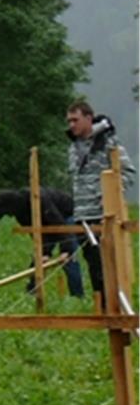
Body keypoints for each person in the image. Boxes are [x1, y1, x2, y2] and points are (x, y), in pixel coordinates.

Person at [66, 101, 136, 303]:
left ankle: (114, 306)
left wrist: (107, 194)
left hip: (105, 215)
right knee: (94, 266)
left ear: (89, 118)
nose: (71, 125)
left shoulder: (108, 143)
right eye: (69, 121)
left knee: (108, 265)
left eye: (75, 120)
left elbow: (128, 173)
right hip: (82, 215)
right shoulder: (73, 148)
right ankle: (102, 307)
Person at [0, 187, 84, 297]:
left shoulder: (39, 198)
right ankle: (32, 293)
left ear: (13, 205)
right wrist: (44, 252)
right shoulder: (20, 214)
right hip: (49, 222)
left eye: (8, 212)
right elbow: (36, 235)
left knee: (69, 259)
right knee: (39, 259)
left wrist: (66, 249)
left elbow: (58, 224)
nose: (10, 216)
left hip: (65, 215)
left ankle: (77, 295)